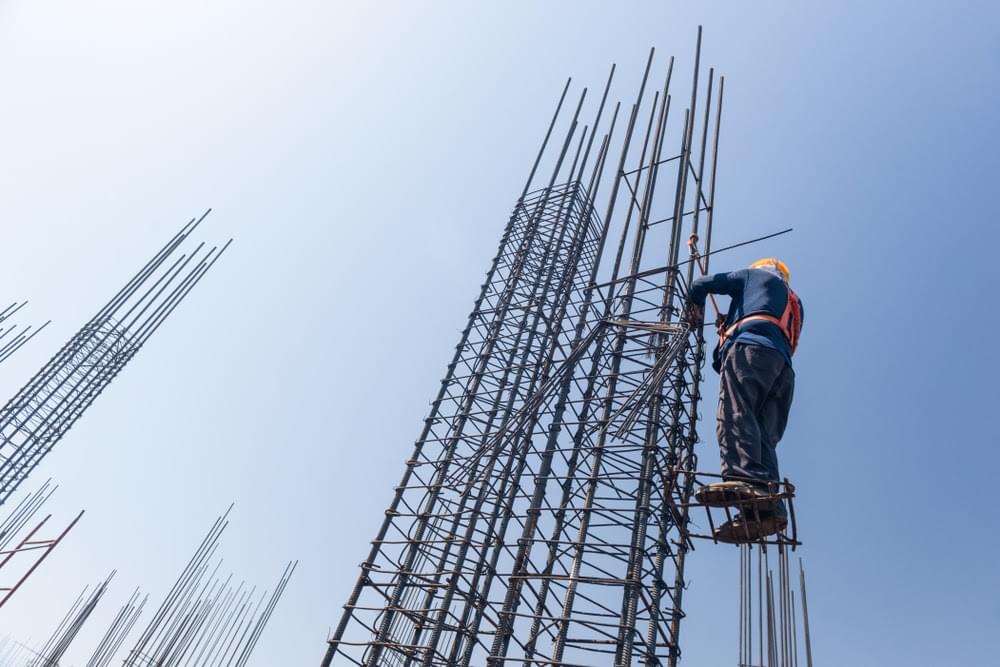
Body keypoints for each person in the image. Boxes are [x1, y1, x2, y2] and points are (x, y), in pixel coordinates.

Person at [685, 257, 803, 542]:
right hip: (781, 369)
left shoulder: (752, 277)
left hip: (750, 350)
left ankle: (743, 479)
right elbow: (761, 328)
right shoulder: (792, 301)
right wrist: (728, 329)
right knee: (763, 438)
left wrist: (696, 305)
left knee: (735, 413)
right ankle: (768, 508)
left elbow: (702, 284)